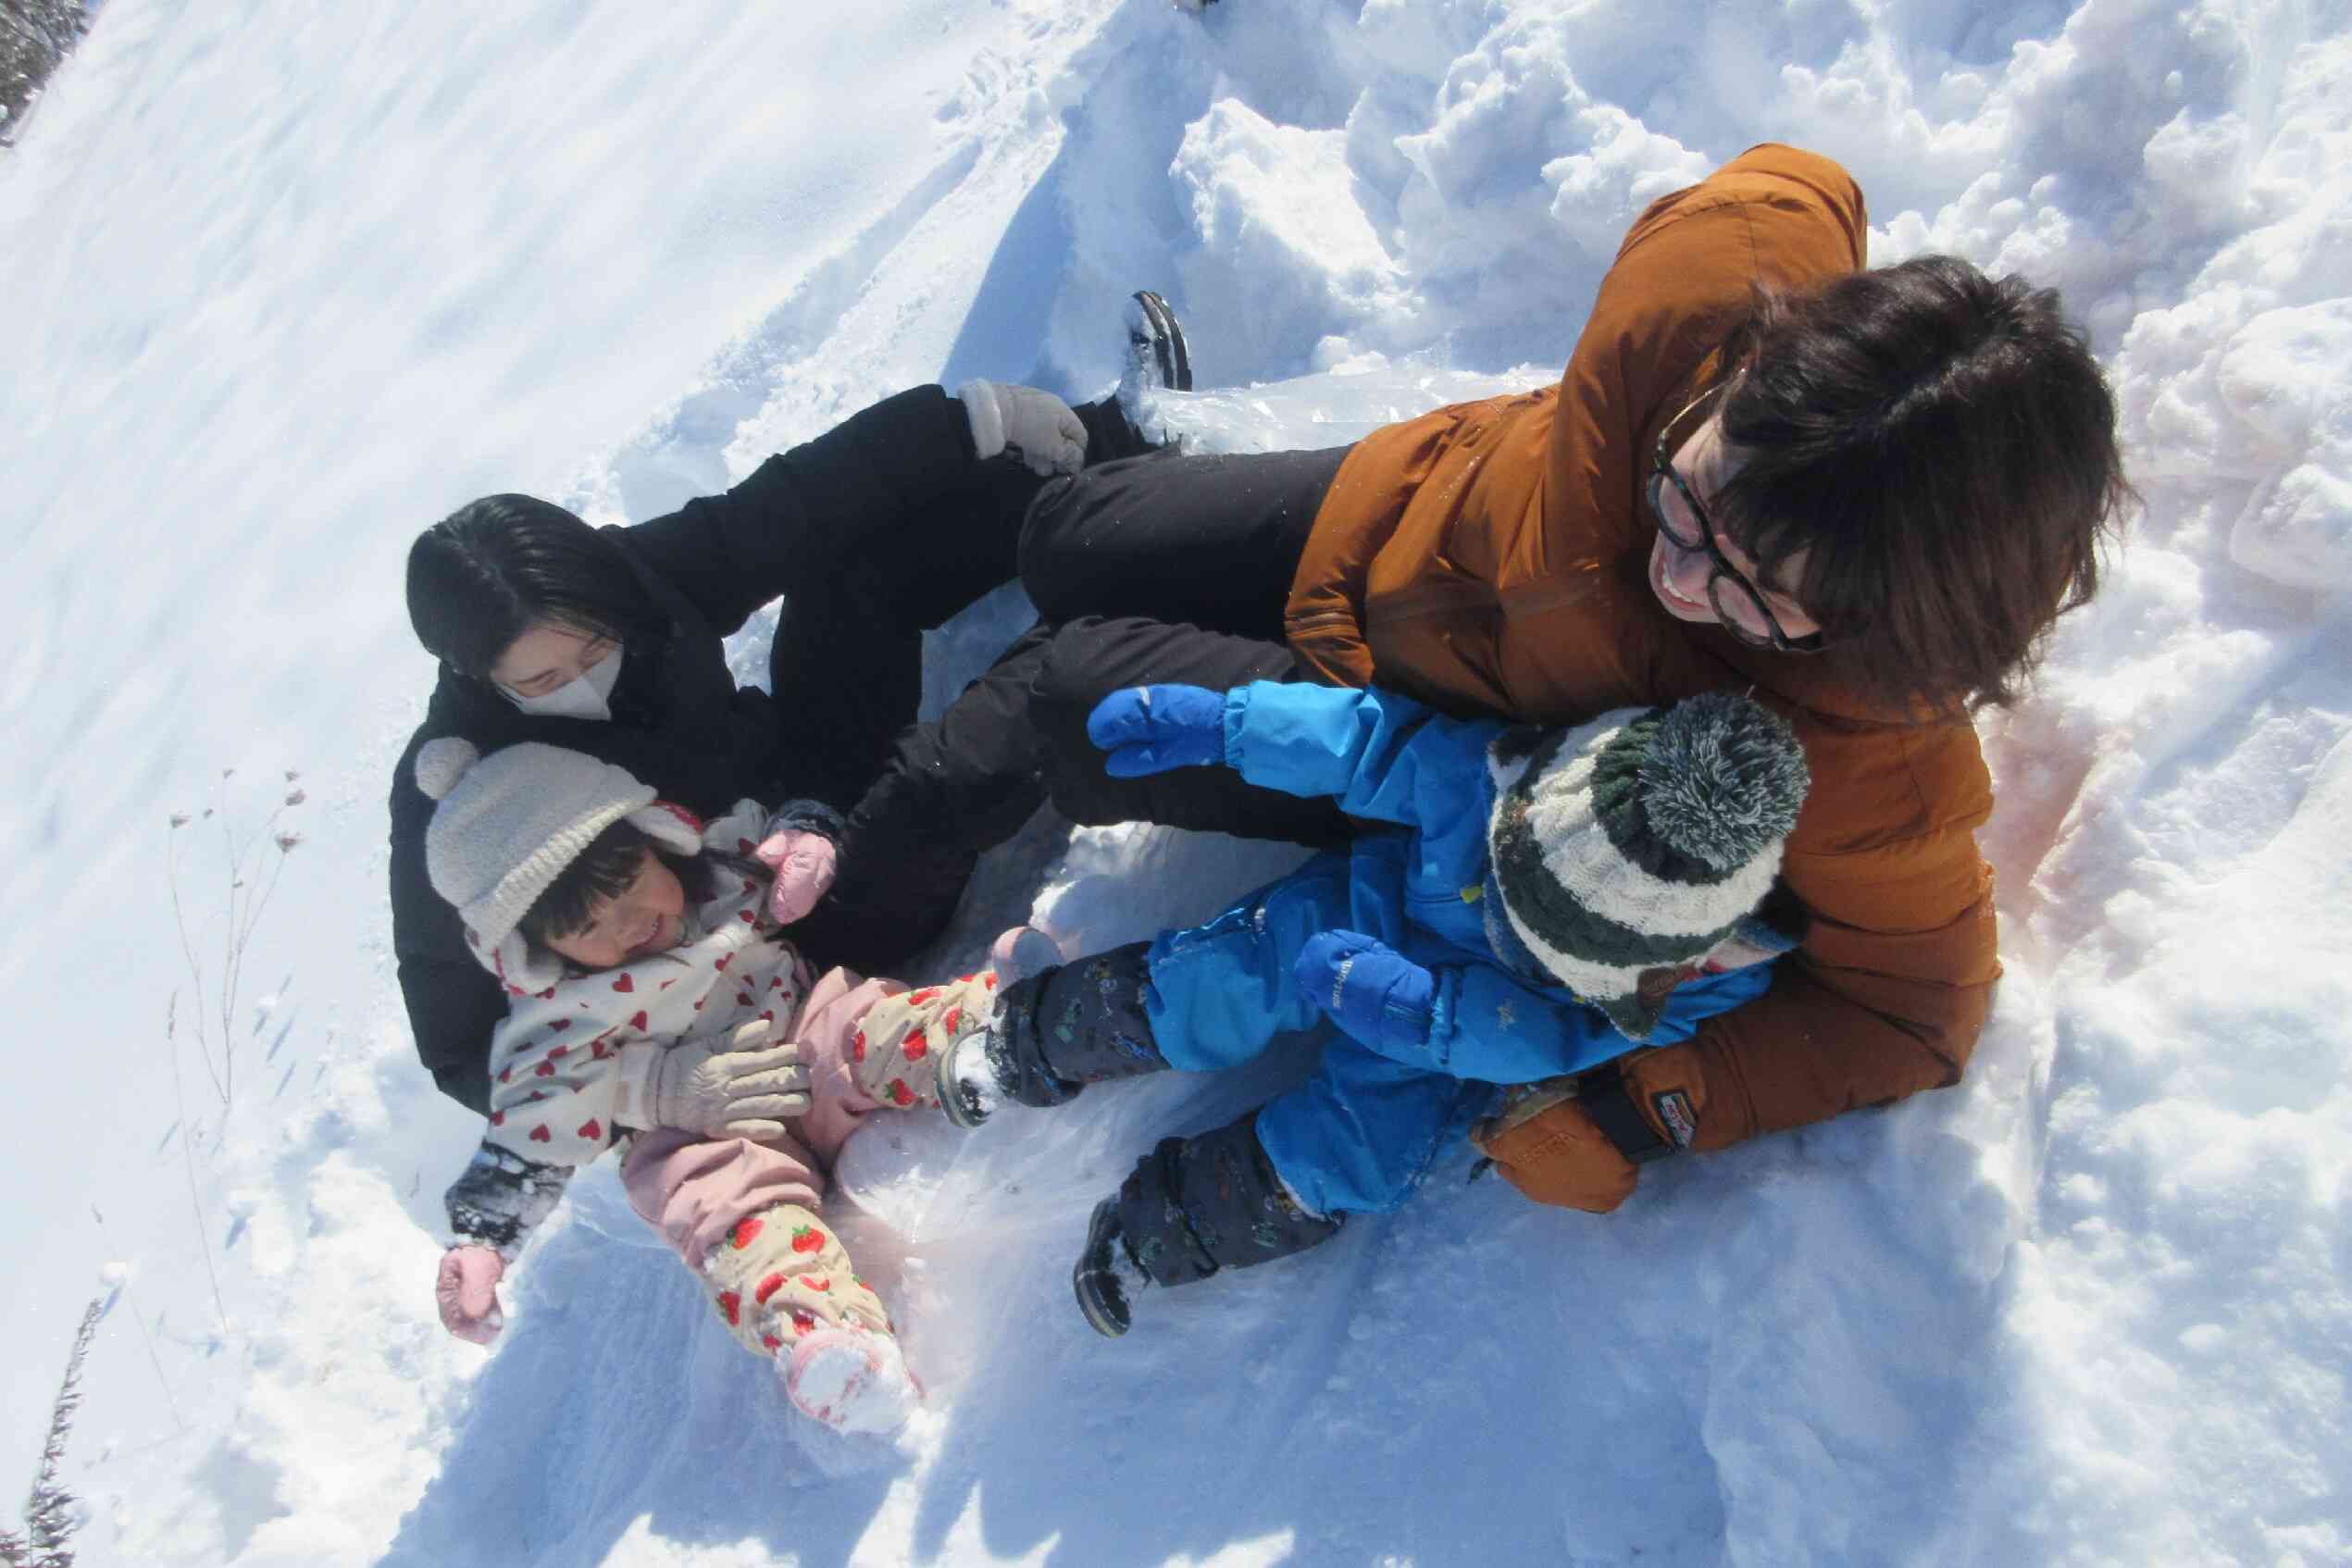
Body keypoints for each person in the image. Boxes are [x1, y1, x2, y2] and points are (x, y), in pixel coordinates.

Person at [840, 143, 2132, 1214]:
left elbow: (1918, 1013)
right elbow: (1809, 183)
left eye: (1752, 594)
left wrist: (1637, 1111)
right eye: (1685, 499)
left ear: (1881, 625)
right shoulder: (1703, 291)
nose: (1683, 579)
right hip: (1394, 504)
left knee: (1078, 703)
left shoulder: (1868, 755)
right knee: (1067, 535)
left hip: (1406, 737)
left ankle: (856, 904)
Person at [392, 295, 1192, 1117]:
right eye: (540, 682)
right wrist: (649, 1088)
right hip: (778, 936)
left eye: (595, 652)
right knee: (936, 781)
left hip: (798, 790)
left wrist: (963, 421)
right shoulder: (459, 792)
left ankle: (1123, 453)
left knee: (847, 569)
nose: (580, 682)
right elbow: (460, 1051)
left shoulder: (628, 584)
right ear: (478, 674)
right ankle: (1116, 635)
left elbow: (783, 510)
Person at [934, 682, 1811, 1333]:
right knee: (1230, 973)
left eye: (1561, 947)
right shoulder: (1504, 776)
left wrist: (1428, 1017)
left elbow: (1559, 1036)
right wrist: (1227, 725)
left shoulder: (1707, 972)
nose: (1524, 930)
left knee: (1357, 1149)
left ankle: (1167, 1228)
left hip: (1455, 1032)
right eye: (1518, 895)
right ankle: (1035, 1041)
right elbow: (1366, 747)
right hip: (1366, 914)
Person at [415, 739, 1007, 1431]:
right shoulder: (556, 1025)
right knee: (720, 1212)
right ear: (537, 951)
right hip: (710, 1140)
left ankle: (1001, 1026)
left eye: (629, 884)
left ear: (655, 840)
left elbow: (792, 821)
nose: (630, 923)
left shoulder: (722, 875)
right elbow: (522, 1146)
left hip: (802, 1040)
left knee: (860, 1027)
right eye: (587, 927)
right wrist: (483, 1242)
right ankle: (825, 1337)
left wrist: (810, 834)